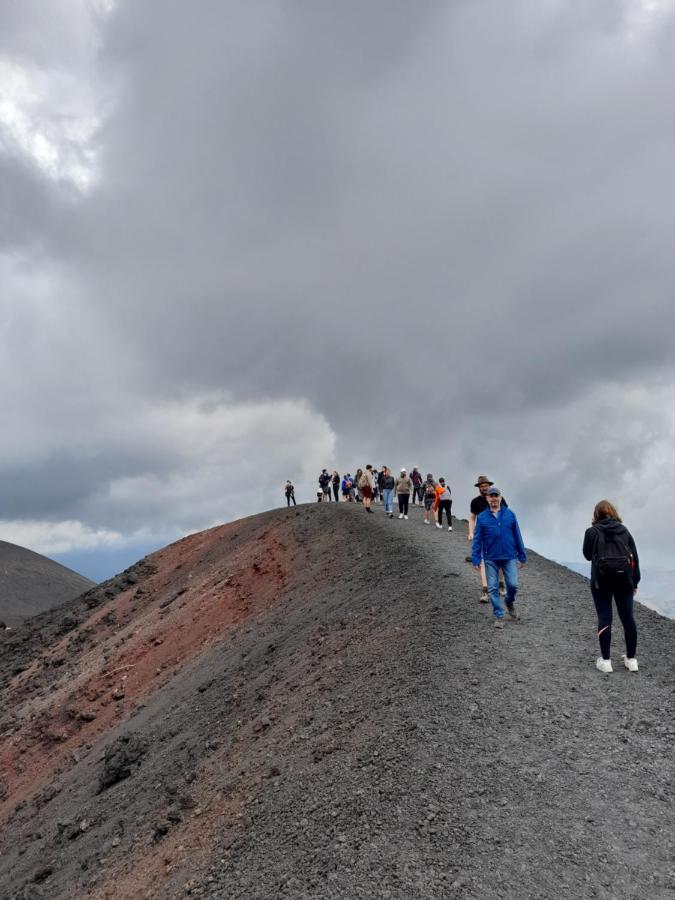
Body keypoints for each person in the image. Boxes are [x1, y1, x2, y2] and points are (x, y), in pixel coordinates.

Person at [583, 500, 640, 674]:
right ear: (613, 512)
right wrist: (635, 582)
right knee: (628, 618)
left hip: (601, 581)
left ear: (596, 515)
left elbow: (587, 555)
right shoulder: (624, 530)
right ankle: (631, 660)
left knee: (605, 616)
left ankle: (606, 661)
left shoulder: (592, 532)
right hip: (624, 580)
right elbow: (634, 558)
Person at [471, 486, 527, 628]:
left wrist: (522, 555)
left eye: (496, 496)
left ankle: (509, 602)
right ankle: (499, 615)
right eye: (491, 496)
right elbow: (477, 539)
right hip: (491, 558)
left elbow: (517, 535)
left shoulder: (510, 515)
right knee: (492, 588)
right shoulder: (482, 517)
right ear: (488, 499)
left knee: (513, 585)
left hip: (509, 556)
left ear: (500, 498)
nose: (494, 499)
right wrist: (476, 558)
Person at [468, 475, 508, 602]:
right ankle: (485, 591)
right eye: (482, 486)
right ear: (479, 487)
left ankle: (501, 584)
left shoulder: (497, 498)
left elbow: (506, 515)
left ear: (489, 486)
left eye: (486, 486)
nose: (484, 488)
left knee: (501, 561)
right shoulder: (475, 502)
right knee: (482, 563)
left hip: (499, 535)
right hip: (483, 536)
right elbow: (472, 518)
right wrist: (471, 532)